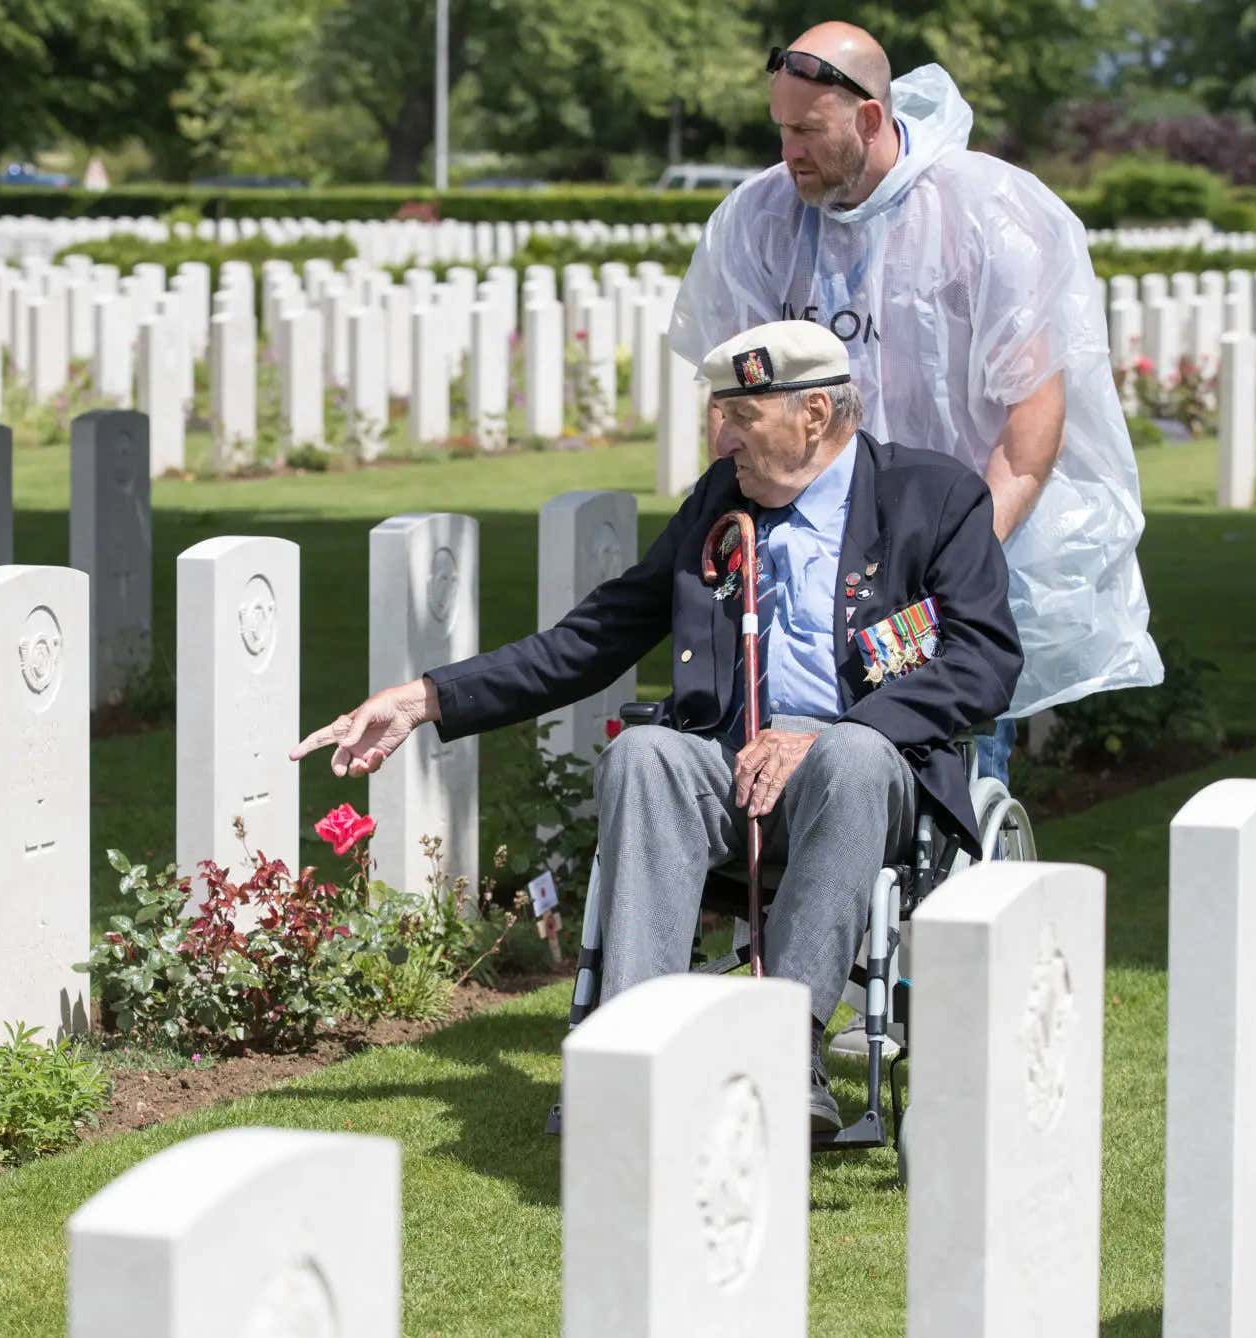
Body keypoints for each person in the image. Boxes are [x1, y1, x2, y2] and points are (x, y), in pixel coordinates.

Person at [289, 321, 1021, 1131]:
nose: (719, 436)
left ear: (815, 413)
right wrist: (425, 698)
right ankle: (631, 1052)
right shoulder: (721, 501)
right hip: (733, 772)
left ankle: (785, 1049)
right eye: (718, 413)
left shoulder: (935, 497)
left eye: (740, 414)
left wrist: (822, 734)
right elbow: (595, 636)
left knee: (849, 753)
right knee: (644, 753)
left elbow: (984, 661)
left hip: (864, 780)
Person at [670, 22, 1161, 783]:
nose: (787, 151)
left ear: (869, 117)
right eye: (780, 129)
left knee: (950, 783)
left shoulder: (986, 214)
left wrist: (951, 557)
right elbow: (732, 406)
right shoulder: (759, 221)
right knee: (798, 787)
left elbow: (1032, 421)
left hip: (948, 565)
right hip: (808, 566)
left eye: (807, 131)